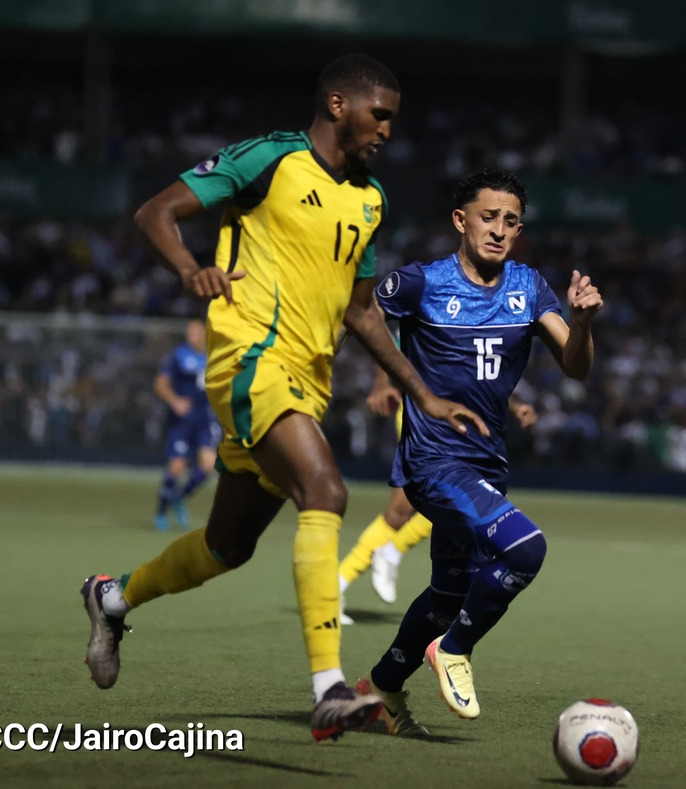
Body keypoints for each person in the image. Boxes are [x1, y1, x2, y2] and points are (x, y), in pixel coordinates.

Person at [79, 54, 487, 743]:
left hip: (307, 382)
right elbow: (157, 212)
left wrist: (422, 392)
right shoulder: (269, 158)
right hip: (248, 360)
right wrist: (191, 269)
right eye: (378, 114)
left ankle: (112, 597)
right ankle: (329, 688)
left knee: (226, 546)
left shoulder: (371, 200)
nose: (387, 130)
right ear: (337, 105)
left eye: (393, 118)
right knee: (325, 491)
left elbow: (361, 312)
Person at [353, 168, 602, 737]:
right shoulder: (421, 282)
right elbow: (362, 317)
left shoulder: (529, 287)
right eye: (488, 217)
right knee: (525, 550)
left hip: (487, 464)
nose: (498, 229)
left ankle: (381, 691)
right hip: (433, 463)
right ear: (460, 220)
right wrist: (382, 380)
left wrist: (582, 323)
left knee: (450, 593)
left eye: (510, 221)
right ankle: (454, 649)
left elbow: (577, 366)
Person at [338, 367, 537, 621]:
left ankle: (337, 584)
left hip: (458, 420)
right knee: (450, 501)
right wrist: (381, 382)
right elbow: (388, 344)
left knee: (402, 513)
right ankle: (389, 552)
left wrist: (514, 405)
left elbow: (480, 374)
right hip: (426, 413)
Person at [153, 317, 221, 531]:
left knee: (209, 465)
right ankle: (161, 511)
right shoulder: (178, 355)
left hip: (206, 418)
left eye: (195, 331)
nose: (190, 335)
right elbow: (160, 384)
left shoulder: (215, 355)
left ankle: (179, 498)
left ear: (204, 333)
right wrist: (175, 401)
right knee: (177, 466)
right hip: (183, 420)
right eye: (189, 332)